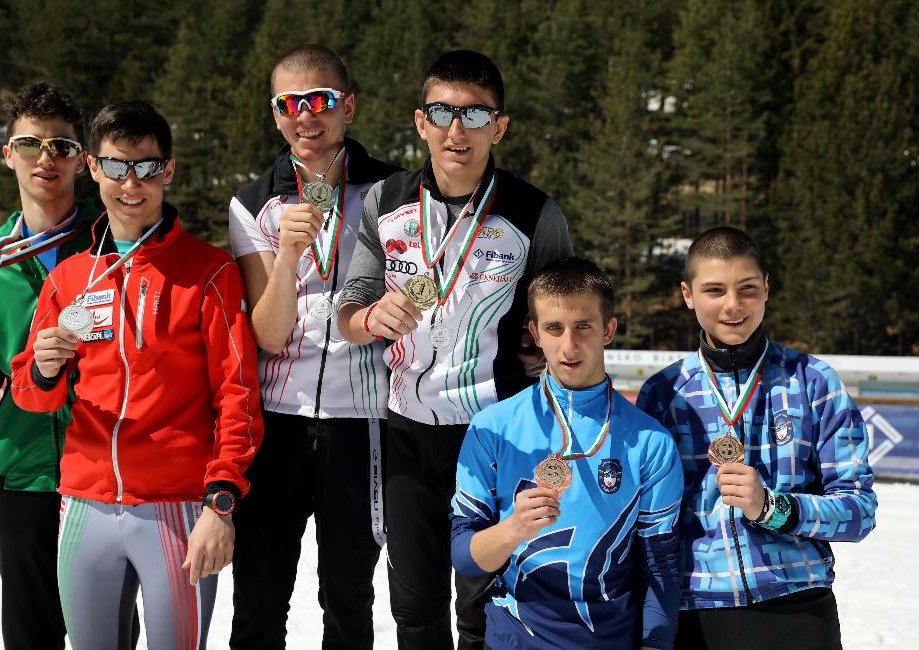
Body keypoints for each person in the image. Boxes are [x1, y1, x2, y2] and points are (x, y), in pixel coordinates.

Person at [337, 50, 573, 649]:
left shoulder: (535, 214)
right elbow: (349, 308)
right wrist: (370, 316)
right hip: (407, 434)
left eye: (475, 115)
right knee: (414, 608)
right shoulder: (385, 201)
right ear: (421, 122)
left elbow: (566, 313)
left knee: (484, 607)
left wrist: (545, 346)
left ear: (500, 126)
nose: (456, 130)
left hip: (497, 434)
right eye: (442, 113)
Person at [10, 100, 263, 649]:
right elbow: (30, 395)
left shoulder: (208, 271)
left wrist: (220, 503)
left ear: (168, 170)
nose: (131, 183)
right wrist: (46, 371)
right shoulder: (70, 278)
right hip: (85, 504)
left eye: (146, 167)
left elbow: (238, 395)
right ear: (93, 168)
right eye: (116, 166)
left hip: (177, 510)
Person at [226, 44, 400, 649]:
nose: (306, 115)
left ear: (347, 106)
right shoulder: (252, 202)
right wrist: (288, 257)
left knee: (348, 600)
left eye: (320, 100)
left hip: (362, 423)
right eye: (289, 103)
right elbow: (268, 335)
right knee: (259, 596)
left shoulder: (395, 192)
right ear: (275, 114)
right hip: (277, 423)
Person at [636, 226, 877, 650]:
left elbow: (859, 511)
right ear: (688, 295)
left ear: (766, 287)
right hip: (697, 613)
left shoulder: (813, 381)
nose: (733, 305)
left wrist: (772, 507)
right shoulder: (663, 394)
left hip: (797, 607)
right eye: (715, 290)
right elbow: (646, 524)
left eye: (747, 288)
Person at [449, 257, 683, 649]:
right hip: (514, 641)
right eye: (554, 328)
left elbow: (661, 567)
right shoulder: (493, 427)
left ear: (608, 329)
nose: (569, 345)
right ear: (535, 333)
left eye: (583, 326)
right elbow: (464, 557)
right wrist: (513, 529)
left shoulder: (650, 442)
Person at [0, 81, 100, 650]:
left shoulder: (113, 241)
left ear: (82, 160)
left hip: (107, 469)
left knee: (104, 634)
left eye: (61, 146)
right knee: (30, 635)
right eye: (31, 144)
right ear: (8, 154)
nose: (45, 158)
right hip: (24, 472)